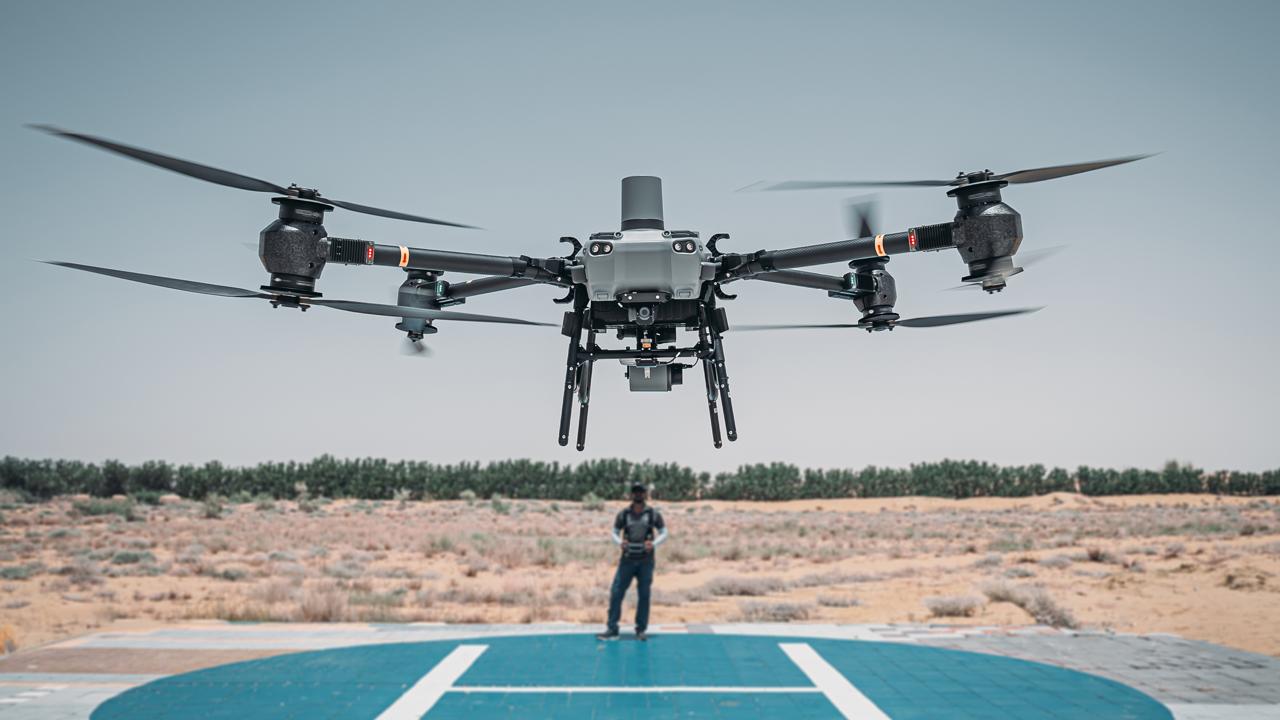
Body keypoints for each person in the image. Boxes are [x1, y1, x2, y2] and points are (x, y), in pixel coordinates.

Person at [597, 483, 667, 641]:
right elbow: (614, 532)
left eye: (641, 492)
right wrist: (619, 543)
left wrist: (653, 544)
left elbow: (664, 532)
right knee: (616, 592)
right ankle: (612, 628)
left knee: (644, 595)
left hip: (646, 562)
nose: (638, 495)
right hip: (627, 561)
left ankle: (641, 629)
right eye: (635, 492)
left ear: (645, 494)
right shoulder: (623, 514)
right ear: (631, 495)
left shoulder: (653, 514)